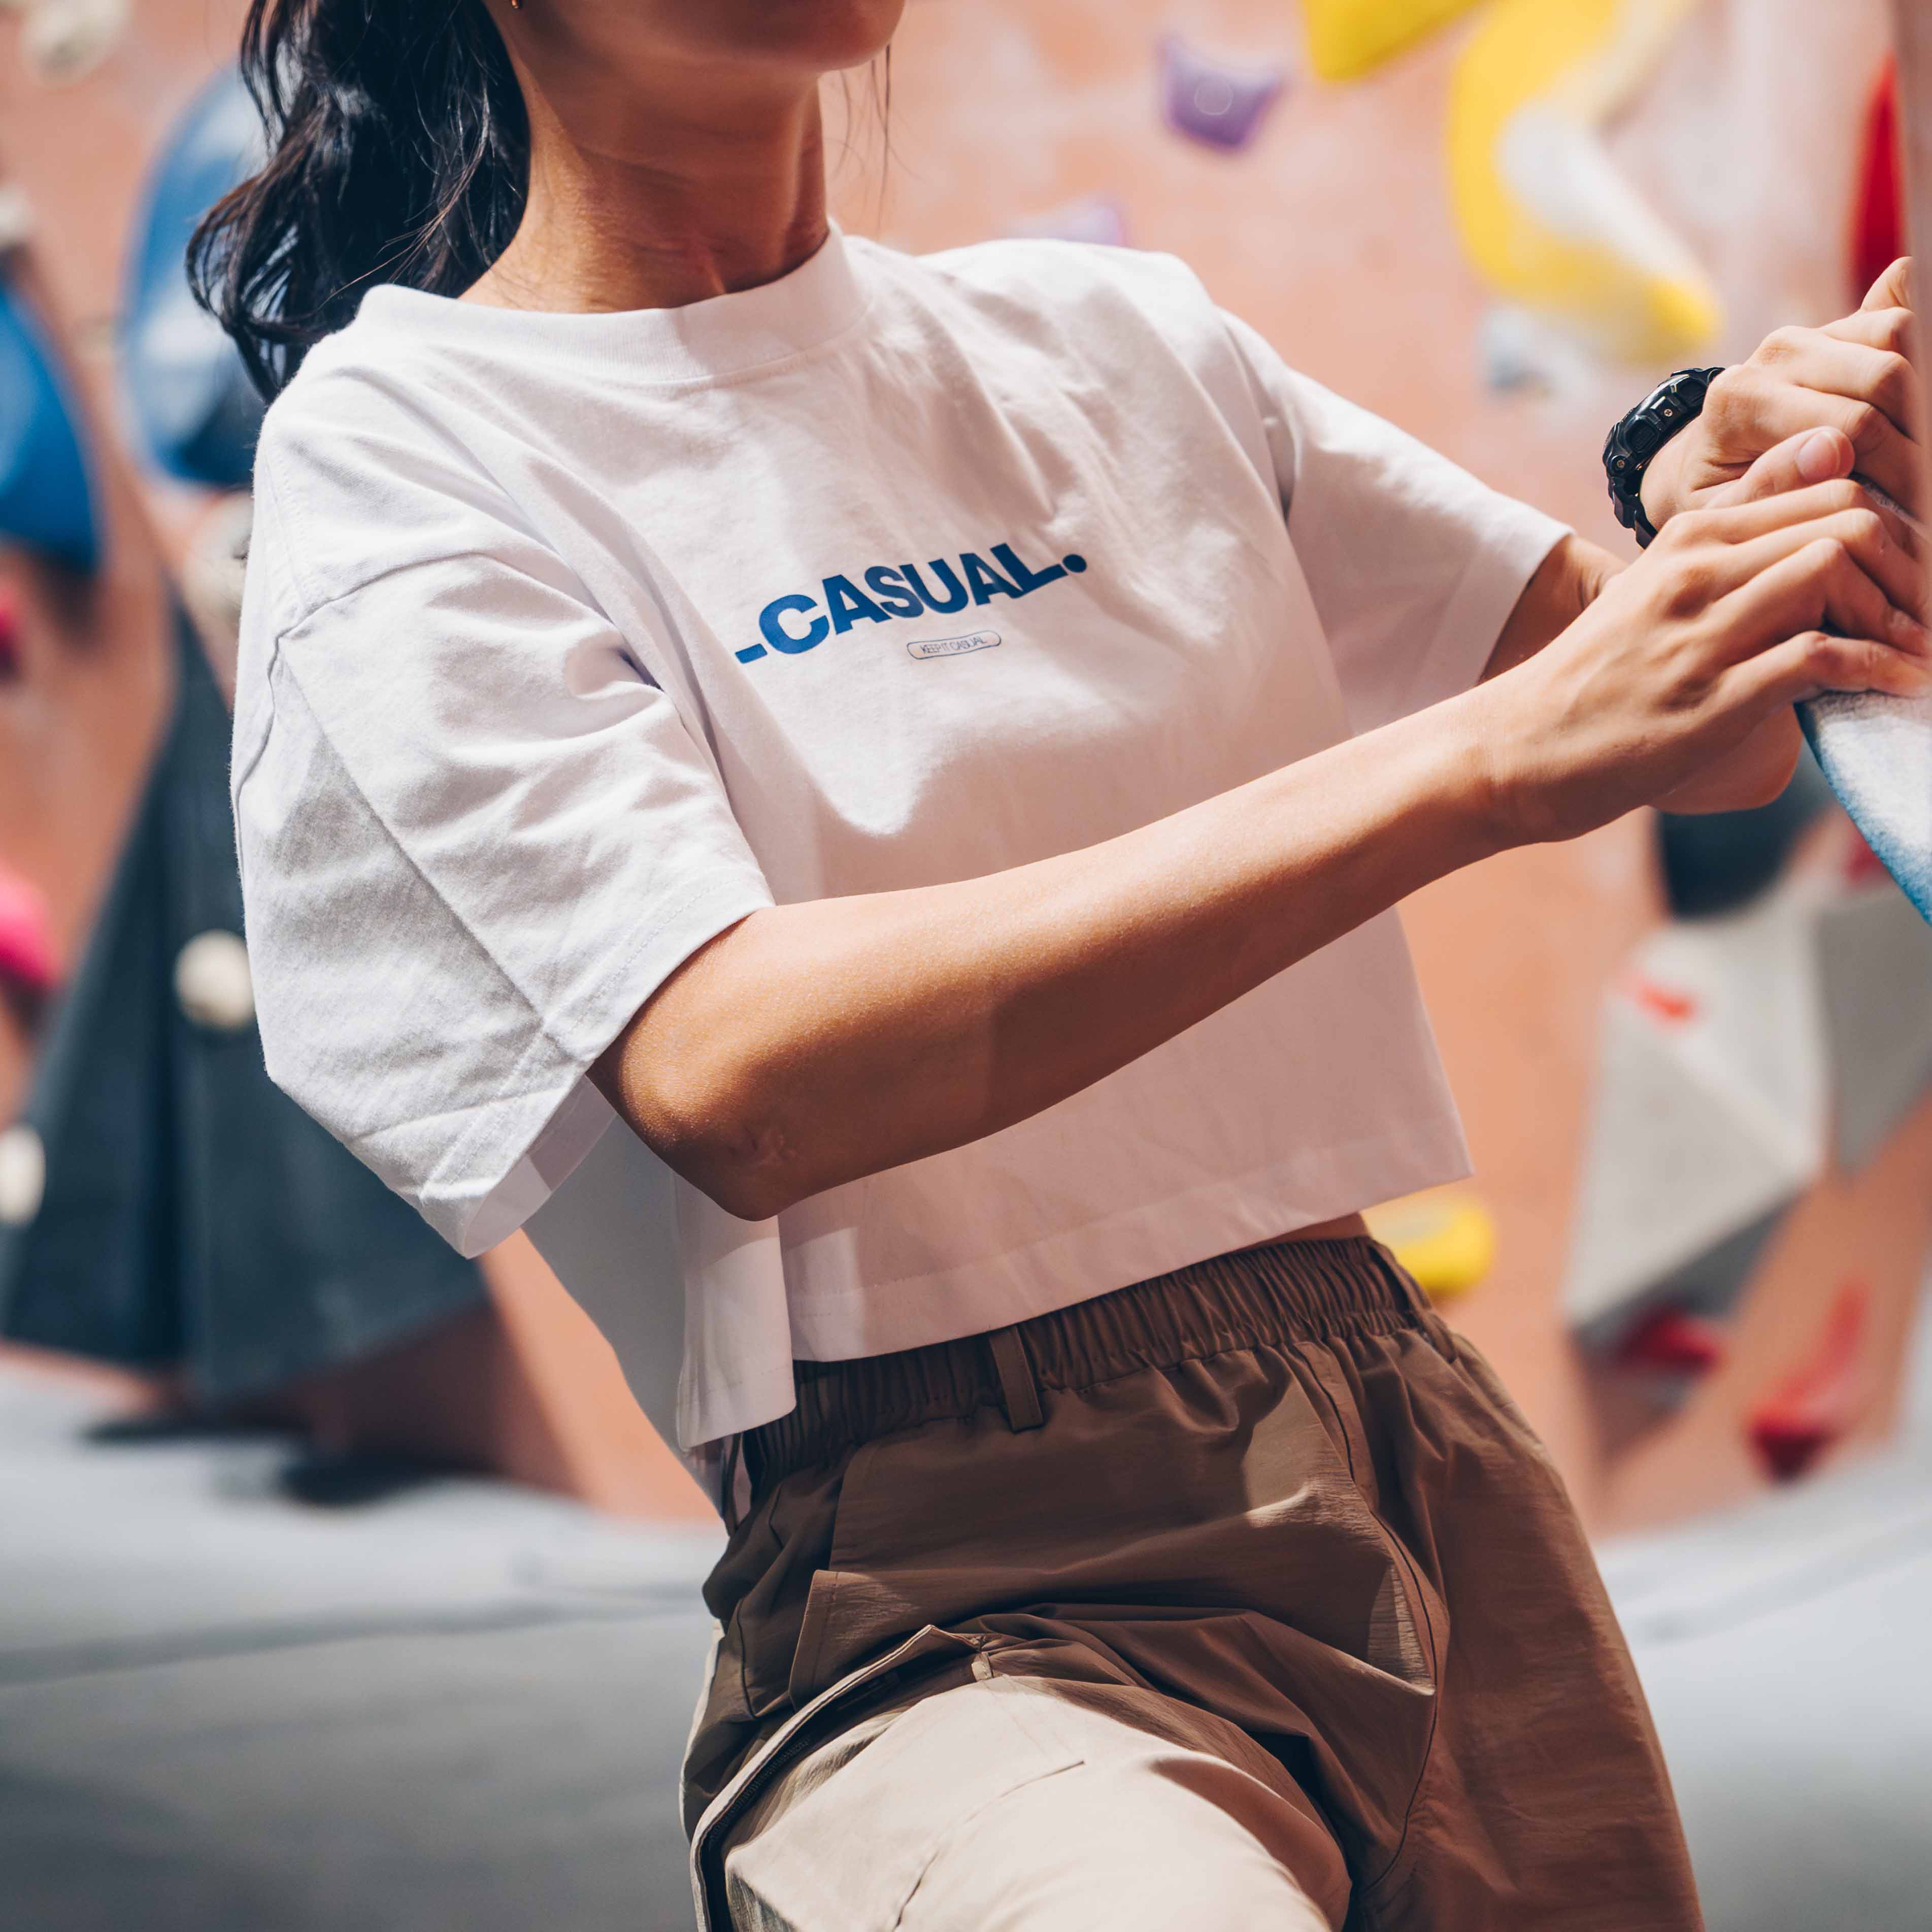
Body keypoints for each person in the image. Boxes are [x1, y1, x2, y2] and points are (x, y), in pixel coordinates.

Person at [193, 4, 1924, 1927]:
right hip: (960, 1589)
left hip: (1422, 1462)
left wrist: (1735, 479)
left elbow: (1694, 723)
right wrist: (1490, 767)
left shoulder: (1107, 342)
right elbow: (736, 1067)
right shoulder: (415, 452)